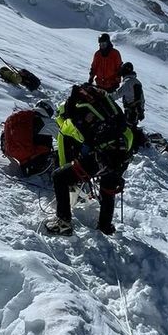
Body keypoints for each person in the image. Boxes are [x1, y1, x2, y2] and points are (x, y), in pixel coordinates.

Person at [46, 84, 133, 236]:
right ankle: (105, 227)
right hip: (121, 156)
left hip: (101, 157)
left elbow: (64, 157)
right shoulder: (105, 111)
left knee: (59, 177)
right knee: (107, 190)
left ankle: (63, 223)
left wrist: (70, 174)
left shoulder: (71, 119)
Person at [0, 100, 58, 176]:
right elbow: (62, 136)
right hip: (36, 162)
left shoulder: (21, 118)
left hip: (17, 157)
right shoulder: (47, 122)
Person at [112, 62, 145, 126]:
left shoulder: (128, 83)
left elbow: (117, 94)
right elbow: (142, 99)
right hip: (137, 111)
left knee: (126, 129)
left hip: (131, 111)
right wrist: (141, 111)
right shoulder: (136, 82)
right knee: (131, 128)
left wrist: (106, 96)